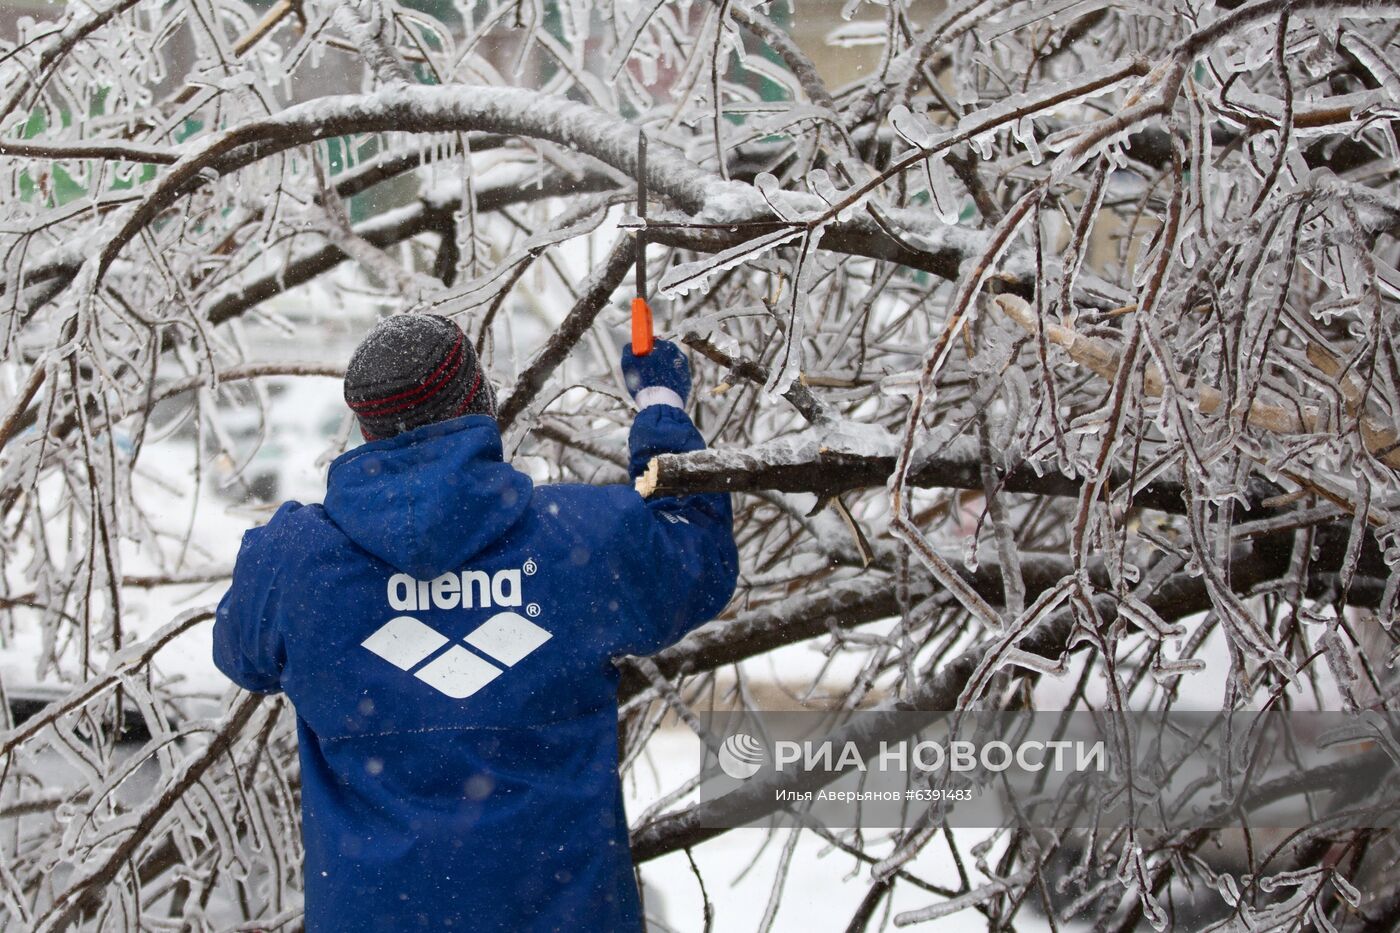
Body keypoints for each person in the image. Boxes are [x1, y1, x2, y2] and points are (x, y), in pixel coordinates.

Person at [212, 313, 737, 932]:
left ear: (363, 427)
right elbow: (695, 558)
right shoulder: (580, 539)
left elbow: (240, 655)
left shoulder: (295, 564)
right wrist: (659, 405)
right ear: (480, 404)